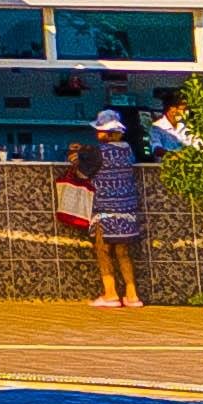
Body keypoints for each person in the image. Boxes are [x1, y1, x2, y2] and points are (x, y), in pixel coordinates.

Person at [86, 108, 147, 308]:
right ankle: (132, 295)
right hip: (127, 210)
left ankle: (111, 294)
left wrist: (76, 155)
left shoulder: (97, 152)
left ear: (108, 133)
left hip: (104, 210)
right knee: (123, 253)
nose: (97, 133)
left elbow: (82, 173)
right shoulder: (128, 149)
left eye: (100, 130)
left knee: (103, 250)